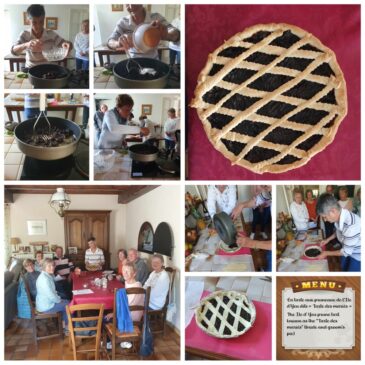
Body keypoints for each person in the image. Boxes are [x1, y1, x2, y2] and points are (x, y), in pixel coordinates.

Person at [107, 4, 180, 59]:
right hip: (133, 63)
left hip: (154, 62)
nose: (131, 7)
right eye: (127, 3)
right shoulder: (123, 22)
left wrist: (168, 34)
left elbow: (175, 32)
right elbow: (110, 42)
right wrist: (118, 43)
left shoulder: (156, 17)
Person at [104, 262, 145, 350]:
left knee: (105, 318)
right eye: (123, 271)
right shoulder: (127, 283)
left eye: (127, 271)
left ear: (134, 273)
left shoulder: (137, 287)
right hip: (128, 312)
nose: (124, 273)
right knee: (108, 314)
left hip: (131, 317)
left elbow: (127, 306)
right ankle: (122, 339)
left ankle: (111, 342)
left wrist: (114, 314)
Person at [316, 193, 361, 272]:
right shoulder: (340, 215)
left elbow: (346, 252)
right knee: (343, 268)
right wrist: (327, 240)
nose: (325, 220)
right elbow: (339, 231)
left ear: (333, 211)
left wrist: (326, 253)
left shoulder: (351, 226)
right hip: (347, 248)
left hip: (357, 256)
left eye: (325, 217)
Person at [36, 258, 69, 330]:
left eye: (53, 265)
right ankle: (67, 327)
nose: (52, 267)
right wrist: (59, 300)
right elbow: (51, 296)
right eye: (49, 266)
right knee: (68, 305)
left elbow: (52, 293)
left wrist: (59, 299)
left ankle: (64, 323)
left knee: (66, 300)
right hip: (46, 306)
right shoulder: (44, 279)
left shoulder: (47, 275)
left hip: (45, 303)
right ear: (44, 267)